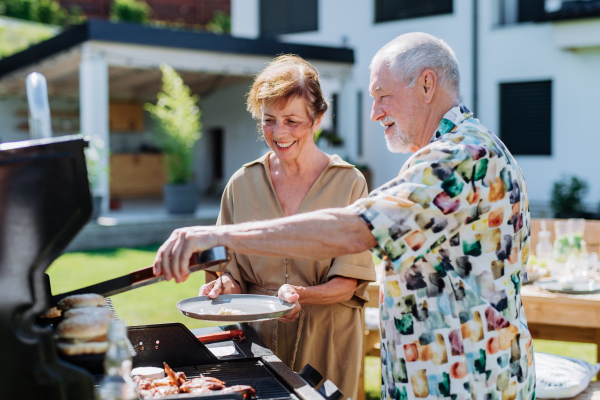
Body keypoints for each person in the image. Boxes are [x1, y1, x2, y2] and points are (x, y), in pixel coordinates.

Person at [154, 33, 534, 400]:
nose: (374, 113)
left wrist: (221, 236)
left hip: (466, 385)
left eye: (382, 96)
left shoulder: (457, 158)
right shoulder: (460, 149)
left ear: (426, 85)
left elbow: (354, 230)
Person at [198, 55, 374, 399]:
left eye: (293, 121)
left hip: (328, 341)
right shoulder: (241, 184)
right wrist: (223, 284)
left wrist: (301, 296)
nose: (279, 133)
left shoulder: (349, 183)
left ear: (317, 118)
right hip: (256, 343)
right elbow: (230, 271)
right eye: (269, 120)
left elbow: (349, 282)